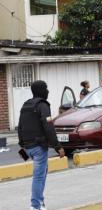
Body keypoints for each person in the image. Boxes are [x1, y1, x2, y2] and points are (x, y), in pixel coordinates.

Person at [17, 80, 65, 210]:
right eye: (46, 88)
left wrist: (22, 146)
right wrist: (58, 146)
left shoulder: (25, 105)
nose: (47, 91)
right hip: (38, 147)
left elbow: (20, 127)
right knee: (39, 176)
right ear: (41, 90)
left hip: (28, 147)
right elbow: (48, 127)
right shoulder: (43, 105)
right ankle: (35, 205)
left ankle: (40, 202)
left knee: (42, 173)